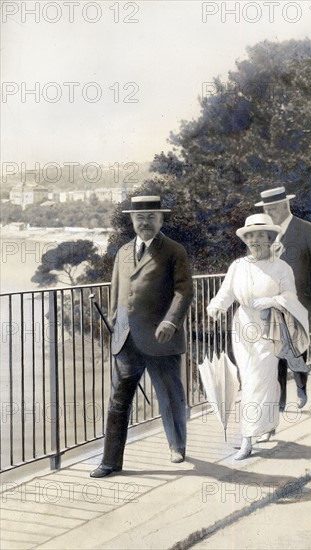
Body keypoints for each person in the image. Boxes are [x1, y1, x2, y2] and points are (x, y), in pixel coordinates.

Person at [90, 191, 194, 478]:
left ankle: (177, 446)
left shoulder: (174, 251)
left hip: (162, 339)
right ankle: (110, 461)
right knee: (118, 401)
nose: (144, 222)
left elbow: (184, 291)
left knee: (170, 396)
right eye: (139, 217)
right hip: (126, 341)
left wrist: (171, 322)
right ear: (132, 221)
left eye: (151, 217)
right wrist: (114, 325)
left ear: (161, 219)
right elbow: (115, 292)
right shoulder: (123, 252)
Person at [207, 214, 309, 460]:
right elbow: (226, 293)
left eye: (261, 236)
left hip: (270, 327)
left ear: (270, 239)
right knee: (255, 378)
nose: (255, 241)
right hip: (242, 328)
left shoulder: (281, 268)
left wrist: (272, 300)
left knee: (256, 380)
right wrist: (216, 306)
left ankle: (247, 438)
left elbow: (291, 296)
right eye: (251, 236)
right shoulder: (238, 266)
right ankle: (269, 423)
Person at [256, 187, 311, 410]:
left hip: (300, 302)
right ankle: (279, 402)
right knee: (275, 352)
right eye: (266, 209)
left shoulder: (307, 230)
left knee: (298, 347)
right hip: (273, 303)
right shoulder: (264, 233)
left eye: (272, 209)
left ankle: (301, 387)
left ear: (284, 206)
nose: (269, 213)